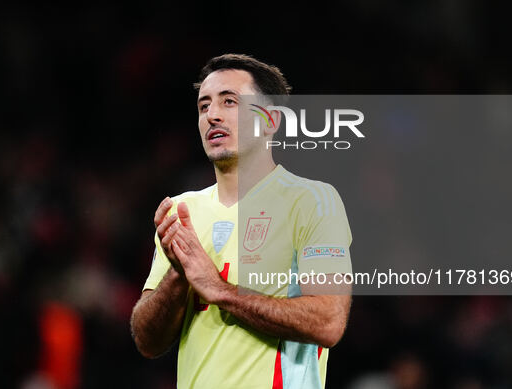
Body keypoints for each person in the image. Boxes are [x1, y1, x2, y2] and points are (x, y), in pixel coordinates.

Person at [130, 53, 353, 389]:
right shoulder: (182, 211)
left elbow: (328, 322)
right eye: (204, 106)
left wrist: (220, 290)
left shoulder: (311, 201)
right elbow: (148, 342)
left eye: (229, 102)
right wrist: (178, 273)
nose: (212, 115)